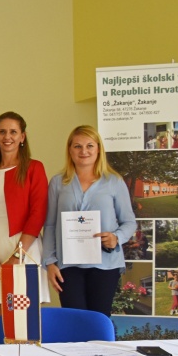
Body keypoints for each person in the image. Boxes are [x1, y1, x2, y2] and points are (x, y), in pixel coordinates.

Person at [42, 125, 137, 317]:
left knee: (98, 321)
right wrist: (50, 262)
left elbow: (129, 222)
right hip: (68, 266)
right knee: (74, 321)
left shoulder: (114, 181)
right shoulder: (58, 182)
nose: (83, 151)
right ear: (70, 150)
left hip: (105, 265)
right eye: (77, 146)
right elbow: (50, 225)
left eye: (89, 146)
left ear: (98, 149)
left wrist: (116, 238)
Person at [0, 111, 49, 316]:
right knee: (3, 319)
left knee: (25, 320)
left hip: (25, 248)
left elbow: (38, 213)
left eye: (13, 132)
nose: (7, 137)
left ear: (22, 137)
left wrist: (17, 255)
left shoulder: (34, 168)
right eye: (2, 132)